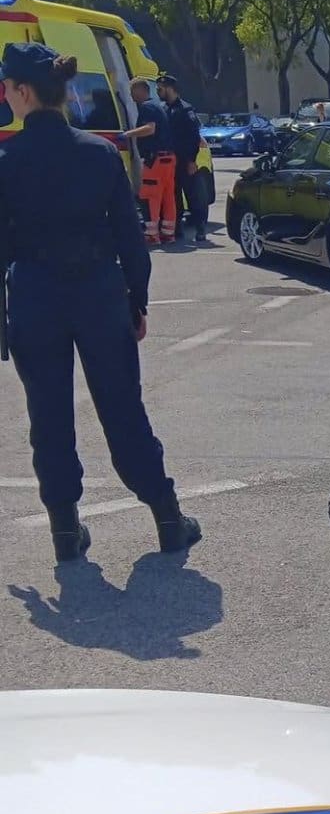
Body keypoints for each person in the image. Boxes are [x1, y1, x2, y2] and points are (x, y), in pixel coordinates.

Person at [0, 43, 201, 563]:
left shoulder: (7, 160)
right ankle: (168, 517)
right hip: (98, 293)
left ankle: (65, 532)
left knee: (49, 417)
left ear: (23, 93)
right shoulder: (99, 152)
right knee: (122, 409)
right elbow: (129, 236)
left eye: (6, 86)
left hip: (36, 298)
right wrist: (137, 298)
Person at [118, 78, 176, 245]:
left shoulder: (147, 107)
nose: (131, 96)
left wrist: (127, 134)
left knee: (150, 196)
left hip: (155, 160)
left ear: (141, 91)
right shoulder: (158, 107)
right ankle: (168, 234)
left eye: (132, 92)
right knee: (167, 197)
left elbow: (150, 128)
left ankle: (152, 235)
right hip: (168, 159)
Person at [157, 73, 208, 243]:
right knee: (173, 196)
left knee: (193, 196)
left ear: (171, 89)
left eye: (161, 88)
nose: (158, 91)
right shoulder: (163, 109)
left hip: (185, 160)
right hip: (169, 161)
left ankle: (200, 229)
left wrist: (192, 160)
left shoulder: (186, 109)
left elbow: (194, 136)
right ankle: (177, 229)